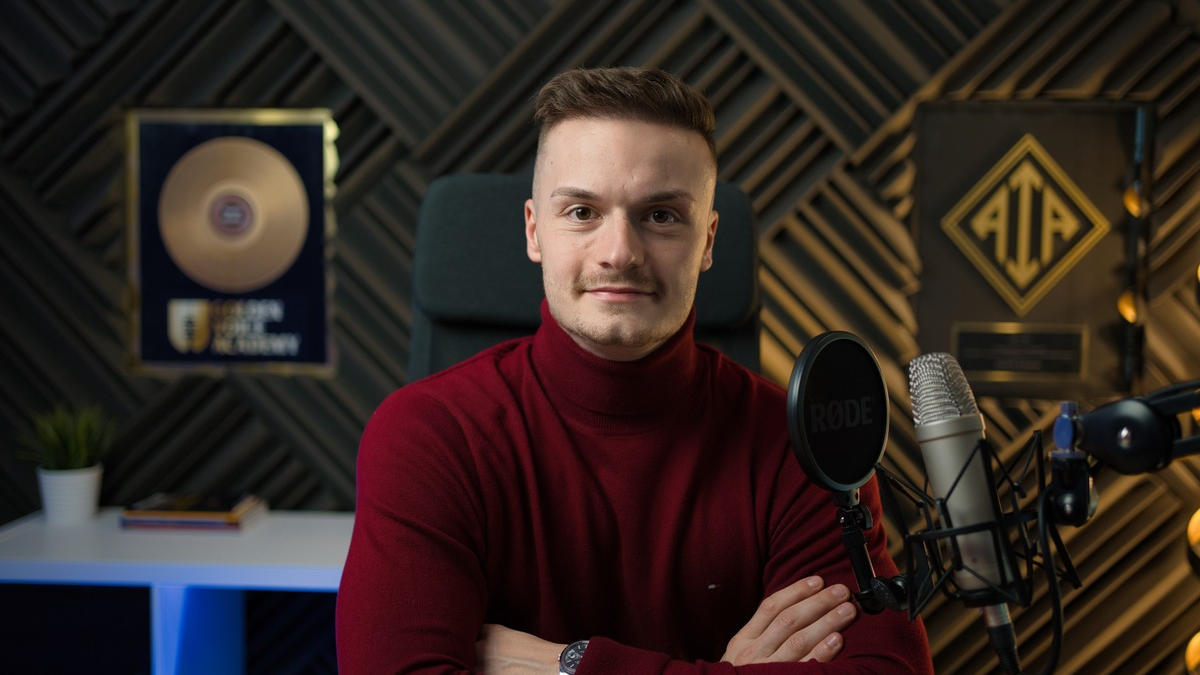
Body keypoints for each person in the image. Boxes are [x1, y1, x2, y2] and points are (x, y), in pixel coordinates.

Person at [336, 66, 934, 675]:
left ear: (707, 240)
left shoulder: (802, 446)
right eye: (581, 212)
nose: (619, 251)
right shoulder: (428, 435)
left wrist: (571, 666)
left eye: (661, 216)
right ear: (534, 230)